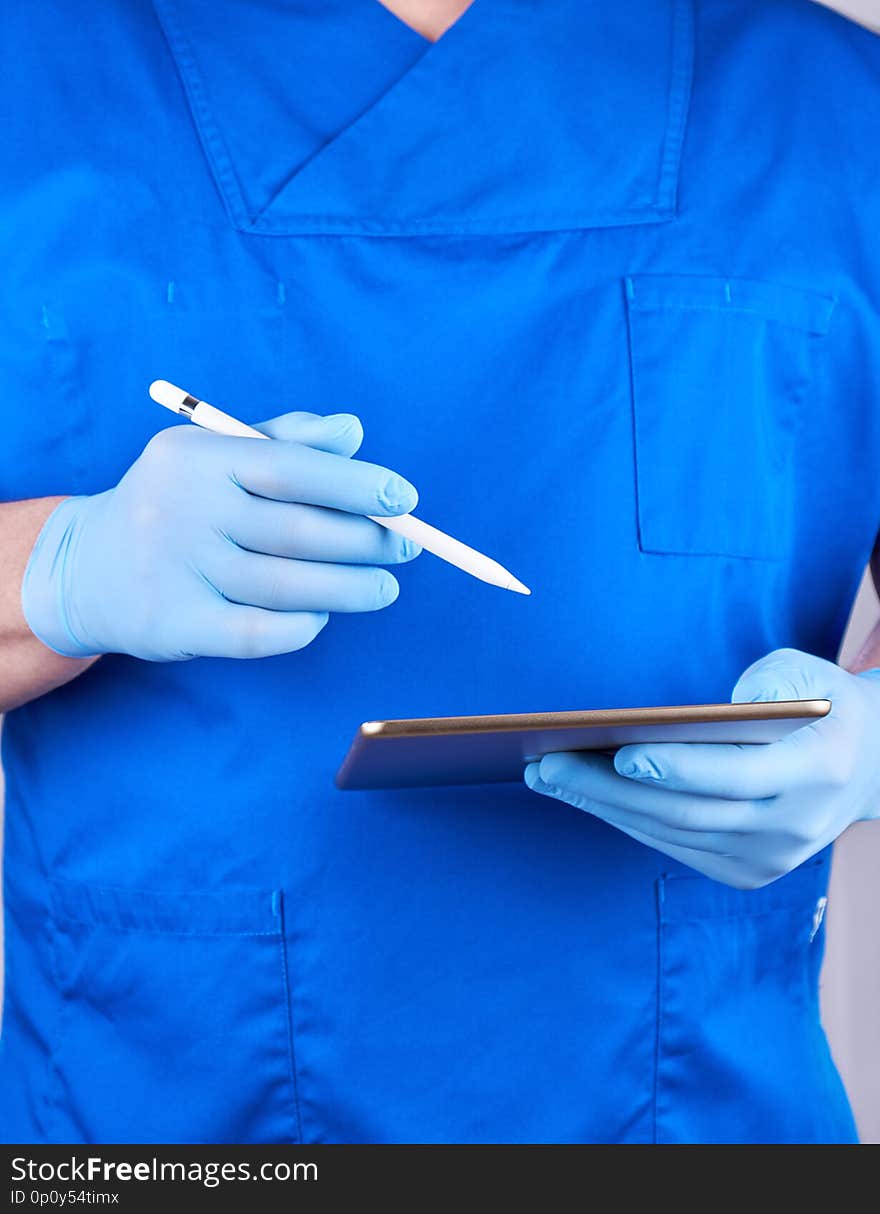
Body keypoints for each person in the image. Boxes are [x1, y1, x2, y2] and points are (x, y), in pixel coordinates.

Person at [1, 0, 879, 1146]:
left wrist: (867, 747)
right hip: (140, 1121)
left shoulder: (836, 111)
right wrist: (57, 572)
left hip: (704, 1120)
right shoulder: (33, 69)